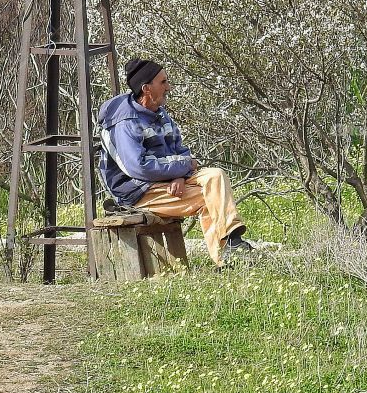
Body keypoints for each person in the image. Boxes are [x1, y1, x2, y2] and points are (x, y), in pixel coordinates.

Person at [97, 57, 254, 265]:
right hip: (138, 192)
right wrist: (182, 169)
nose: (168, 87)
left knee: (215, 176)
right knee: (211, 199)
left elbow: (181, 151)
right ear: (146, 88)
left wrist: (179, 174)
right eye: (163, 82)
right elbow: (138, 167)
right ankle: (229, 257)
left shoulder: (159, 114)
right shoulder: (125, 122)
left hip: (165, 181)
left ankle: (231, 246)